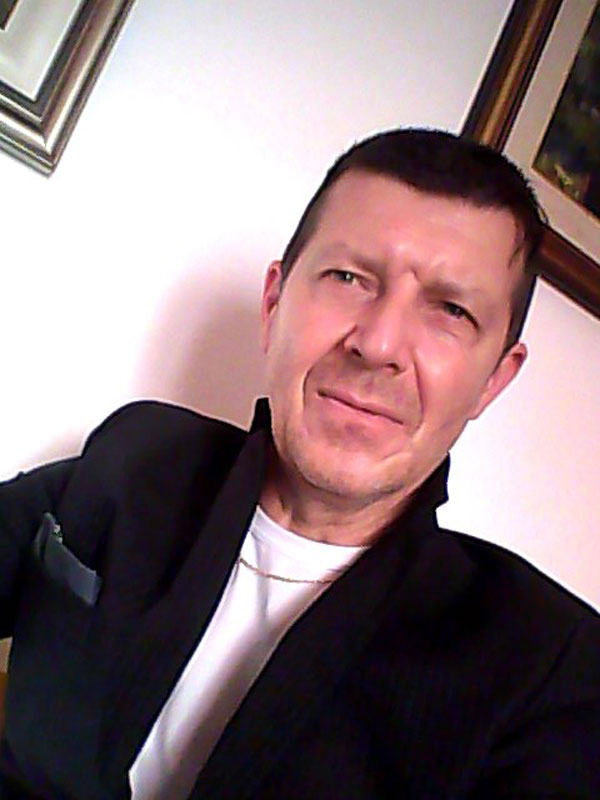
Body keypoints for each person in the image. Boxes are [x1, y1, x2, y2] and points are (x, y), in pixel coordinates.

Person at [0, 129, 598, 800]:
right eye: (349, 278)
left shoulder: (551, 667)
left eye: (451, 310)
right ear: (273, 304)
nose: (378, 344)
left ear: (492, 381)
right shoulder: (138, 456)